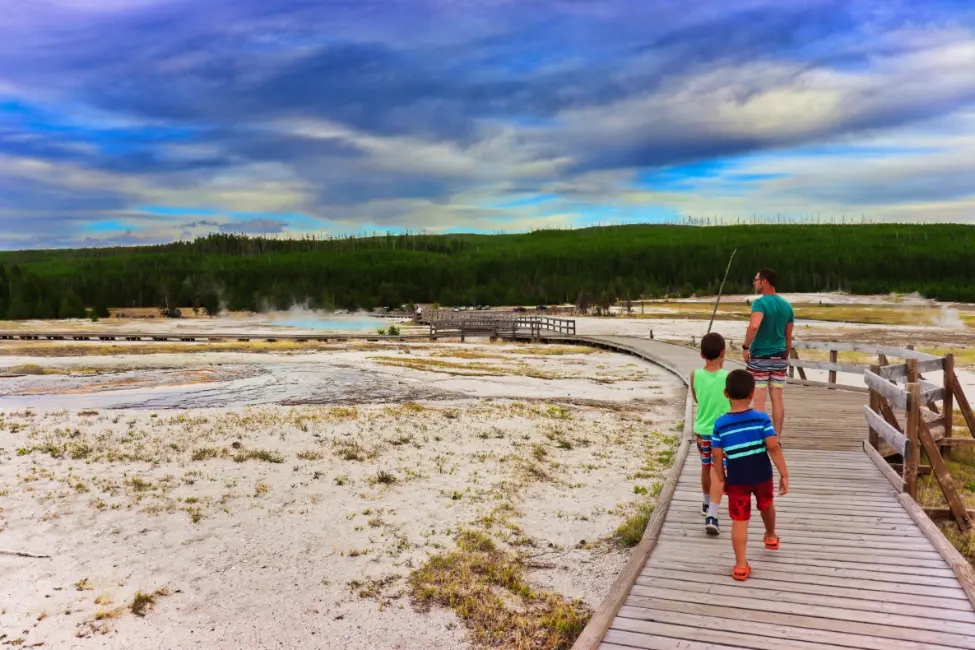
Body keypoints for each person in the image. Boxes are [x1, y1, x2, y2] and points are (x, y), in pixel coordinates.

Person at [711, 369, 789, 581]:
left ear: (726, 394)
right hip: (762, 475)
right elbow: (773, 446)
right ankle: (771, 536)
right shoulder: (762, 418)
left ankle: (740, 565)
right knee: (766, 504)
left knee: (740, 519)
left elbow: (716, 455)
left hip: (737, 479)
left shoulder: (720, 424)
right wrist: (784, 473)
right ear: (753, 393)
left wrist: (721, 478)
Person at [743, 268, 794, 438]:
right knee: (777, 399)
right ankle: (776, 437)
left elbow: (754, 326)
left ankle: (759, 436)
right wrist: (784, 355)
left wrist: (745, 346)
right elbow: (788, 336)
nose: (754, 283)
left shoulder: (760, 303)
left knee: (759, 398)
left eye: (756, 280)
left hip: (760, 357)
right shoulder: (787, 306)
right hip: (779, 356)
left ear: (764, 282)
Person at [690, 332, 730, 536]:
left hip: (702, 431)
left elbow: (697, 398)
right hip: (722, 433)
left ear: (701, 354)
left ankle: (706, 503)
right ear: (723, 353)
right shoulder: (727, 377)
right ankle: (712, 514)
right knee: (719, 471)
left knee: (706, 467)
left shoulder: (695, 375)